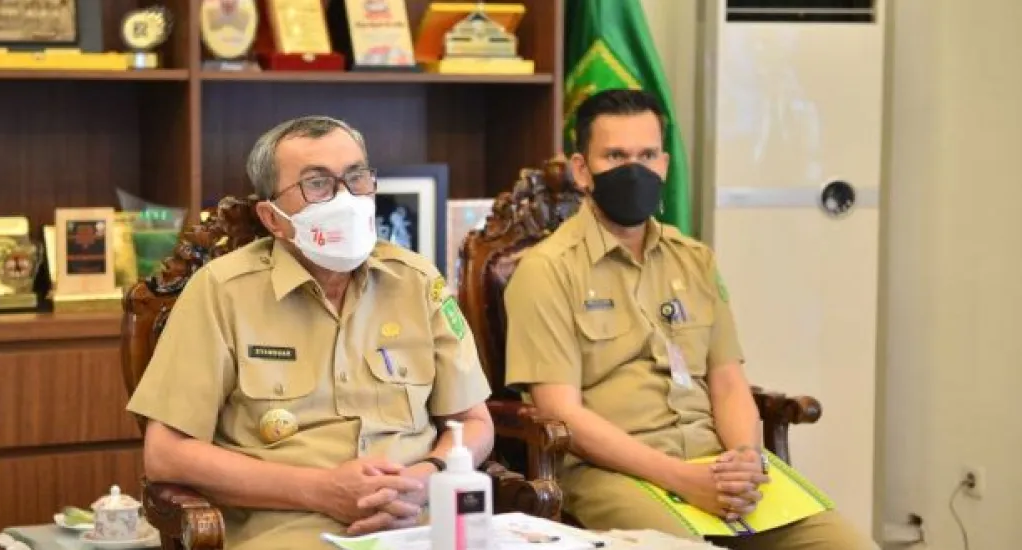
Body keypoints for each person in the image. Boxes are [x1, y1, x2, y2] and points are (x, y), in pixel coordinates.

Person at [503, 89, 875, 549]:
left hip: (714, 464)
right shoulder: (547, 270)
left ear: (664, 165)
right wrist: (681, 479)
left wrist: (744, 459)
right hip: (613, 473)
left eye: (647, 155)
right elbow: (561, 412)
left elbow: (729, 383)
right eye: (615, 156)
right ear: (582, 169)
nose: (634, 170)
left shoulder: (694, 259)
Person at [126, 115, 495, 550]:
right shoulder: (222, 291)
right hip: (292, 531)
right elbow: (166, 454)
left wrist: (425, 479)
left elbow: (474, 423)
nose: (345, 198)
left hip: (422, 524)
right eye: (317, 184)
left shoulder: (417, 281)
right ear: (272, 218)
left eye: (356, 178)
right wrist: (319, 490)